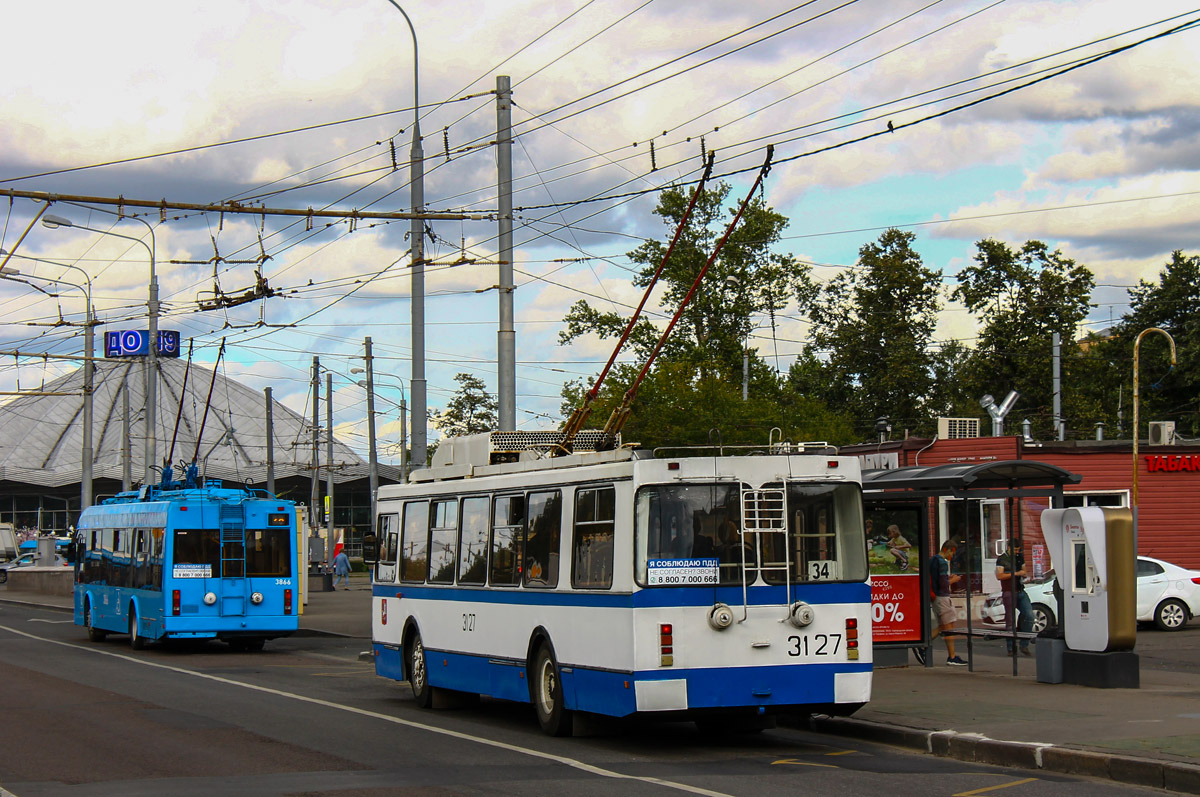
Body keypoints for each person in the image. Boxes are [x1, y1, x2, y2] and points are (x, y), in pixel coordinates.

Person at [928, 540, 967, 666]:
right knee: (948, 627)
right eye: (952, 552)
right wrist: (953, 580)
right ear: (947, 550)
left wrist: (946, 579)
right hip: (942, 597)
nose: (952, 556)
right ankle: (952, 656)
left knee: (943, 626)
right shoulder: (942, 562)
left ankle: (925, 643)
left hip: (935, 597)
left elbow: (937, 579)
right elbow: (943, 584)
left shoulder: (933, 559)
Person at [996, 533, 1033, 655]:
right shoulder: (1002, 559)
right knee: (1010, 620)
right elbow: (999, 575)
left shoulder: (1019, 557)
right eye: (1015, 550)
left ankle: (1024, 644)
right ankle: (1011, 647)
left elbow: (1024, 570)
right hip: (1008, 591)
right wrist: (1016, 573)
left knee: (1029, 615)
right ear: (1009, 548)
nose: (1017, 552)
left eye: (1018, 550)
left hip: (1020, 589)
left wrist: (1023, 574)